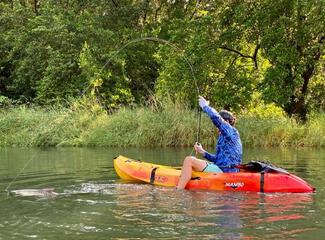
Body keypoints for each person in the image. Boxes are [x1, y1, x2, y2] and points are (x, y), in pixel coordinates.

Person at [176, 96, 242, 190]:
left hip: (225, 172)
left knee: (189, 160)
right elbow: (219, 159)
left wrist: (205, 107)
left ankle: (178, 190)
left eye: (222, 121)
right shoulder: (225, 135)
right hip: (223, 168)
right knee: (193, 163)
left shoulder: (232, 132)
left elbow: (217, 119)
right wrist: (203, 152)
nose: (216, 126)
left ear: (226, 121)